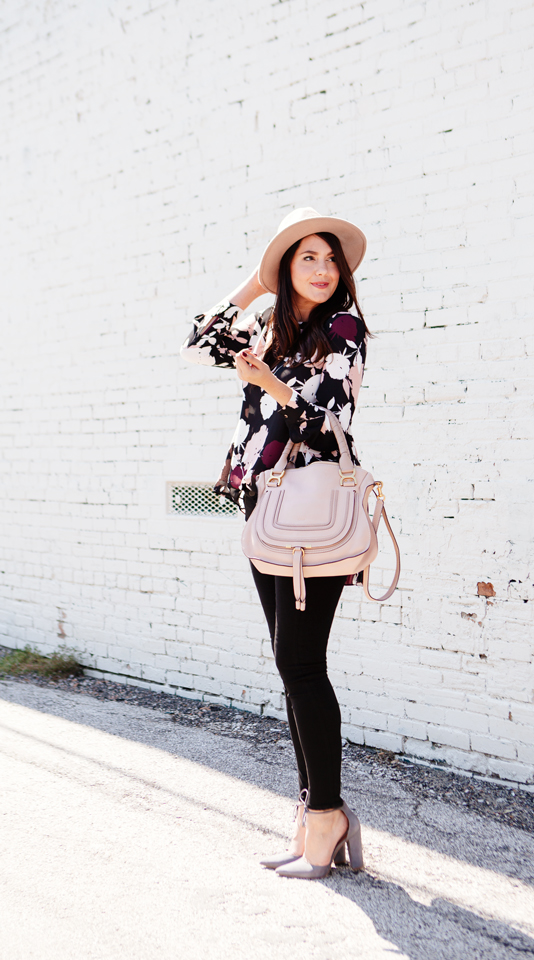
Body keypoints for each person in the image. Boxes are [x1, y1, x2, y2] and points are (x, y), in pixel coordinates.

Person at [180, 207, 370, 879]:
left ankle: (327, 818)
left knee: (301, 664)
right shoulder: (269, 325)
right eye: (306, 258)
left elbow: (327, 421)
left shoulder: (342, 328)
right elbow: (200, 338)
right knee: (289, 665)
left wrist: (267, 382)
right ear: (287, 268)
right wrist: (258, 285)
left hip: (311, 510)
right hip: (261, 505)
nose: (322, 270)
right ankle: (312, 812)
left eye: (329, 259)